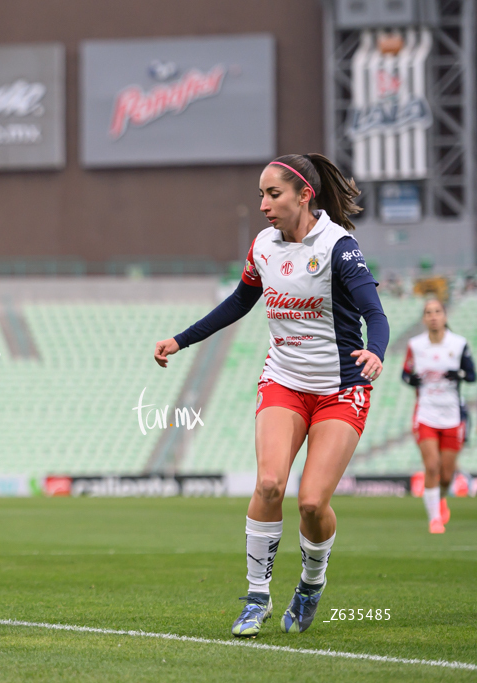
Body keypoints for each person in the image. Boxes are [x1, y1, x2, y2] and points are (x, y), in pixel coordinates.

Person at [154, 154, 389, 637]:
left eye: (273, 194)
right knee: (268, 485)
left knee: (310, 504)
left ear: (305, 195)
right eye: (260, 194)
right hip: (283, 381)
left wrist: (376, 352)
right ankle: (256, 599)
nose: (263, 204)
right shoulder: (263, 246)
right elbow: (241, 300)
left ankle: (309, 584)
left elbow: (375, 313)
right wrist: (182, 339)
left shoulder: (339, 248)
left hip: (341, 389)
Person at [402, 298, 475, 533]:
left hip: (452, 415)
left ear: (444, 316)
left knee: (446, 474)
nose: (433, 316)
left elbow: (472, 374)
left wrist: (459, 374)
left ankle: (440, 498)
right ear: (424, 318)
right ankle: (434, 519)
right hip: (426, 413)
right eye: (428, 312)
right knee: (431, 466)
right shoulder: (415, 345)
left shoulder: (459, 343)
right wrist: (412, 379)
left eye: (437, 311)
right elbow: (405, 374)